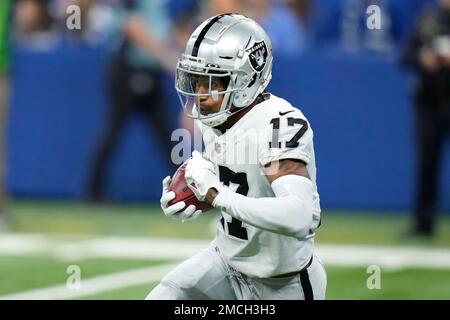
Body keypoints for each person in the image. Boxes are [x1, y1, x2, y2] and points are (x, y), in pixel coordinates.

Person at [147, 13, 326, 300]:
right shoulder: (214, 117)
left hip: (281, 283)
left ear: (245, 81)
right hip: (226, 263)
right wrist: (195, 194)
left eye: (212, 81)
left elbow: (298, 215)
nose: (201, 94)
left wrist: (216, 195)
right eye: (197, 80)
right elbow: (237, 178)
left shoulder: (277, 125)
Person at [87, 0, 178, 201]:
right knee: (113, 131)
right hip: (128, 69)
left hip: (151, 70)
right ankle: (93, 191)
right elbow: (133, 28)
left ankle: (187, 188)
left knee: (168, 135)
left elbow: (162, 28)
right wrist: (167, 59)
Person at [402, 0, 450, 238]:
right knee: (427, 164)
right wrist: (424, 57)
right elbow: (405, 56)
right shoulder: (428, 21)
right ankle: (423, 223)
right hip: (430, 103)